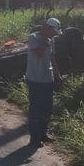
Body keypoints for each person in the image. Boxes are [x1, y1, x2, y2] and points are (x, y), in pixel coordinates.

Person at [25, 18, 62, 148]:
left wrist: (58, 76)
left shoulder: (51, 40)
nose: (55, 35)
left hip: (48, 79)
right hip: (35, 79)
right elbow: (38, 53)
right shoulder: (33, 37)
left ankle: (43, 134)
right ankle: (34, 139)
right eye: (53, 32)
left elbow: (52, 58)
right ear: (46, 28)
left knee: (47, 109)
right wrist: (46, 42)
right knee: (36, 109)